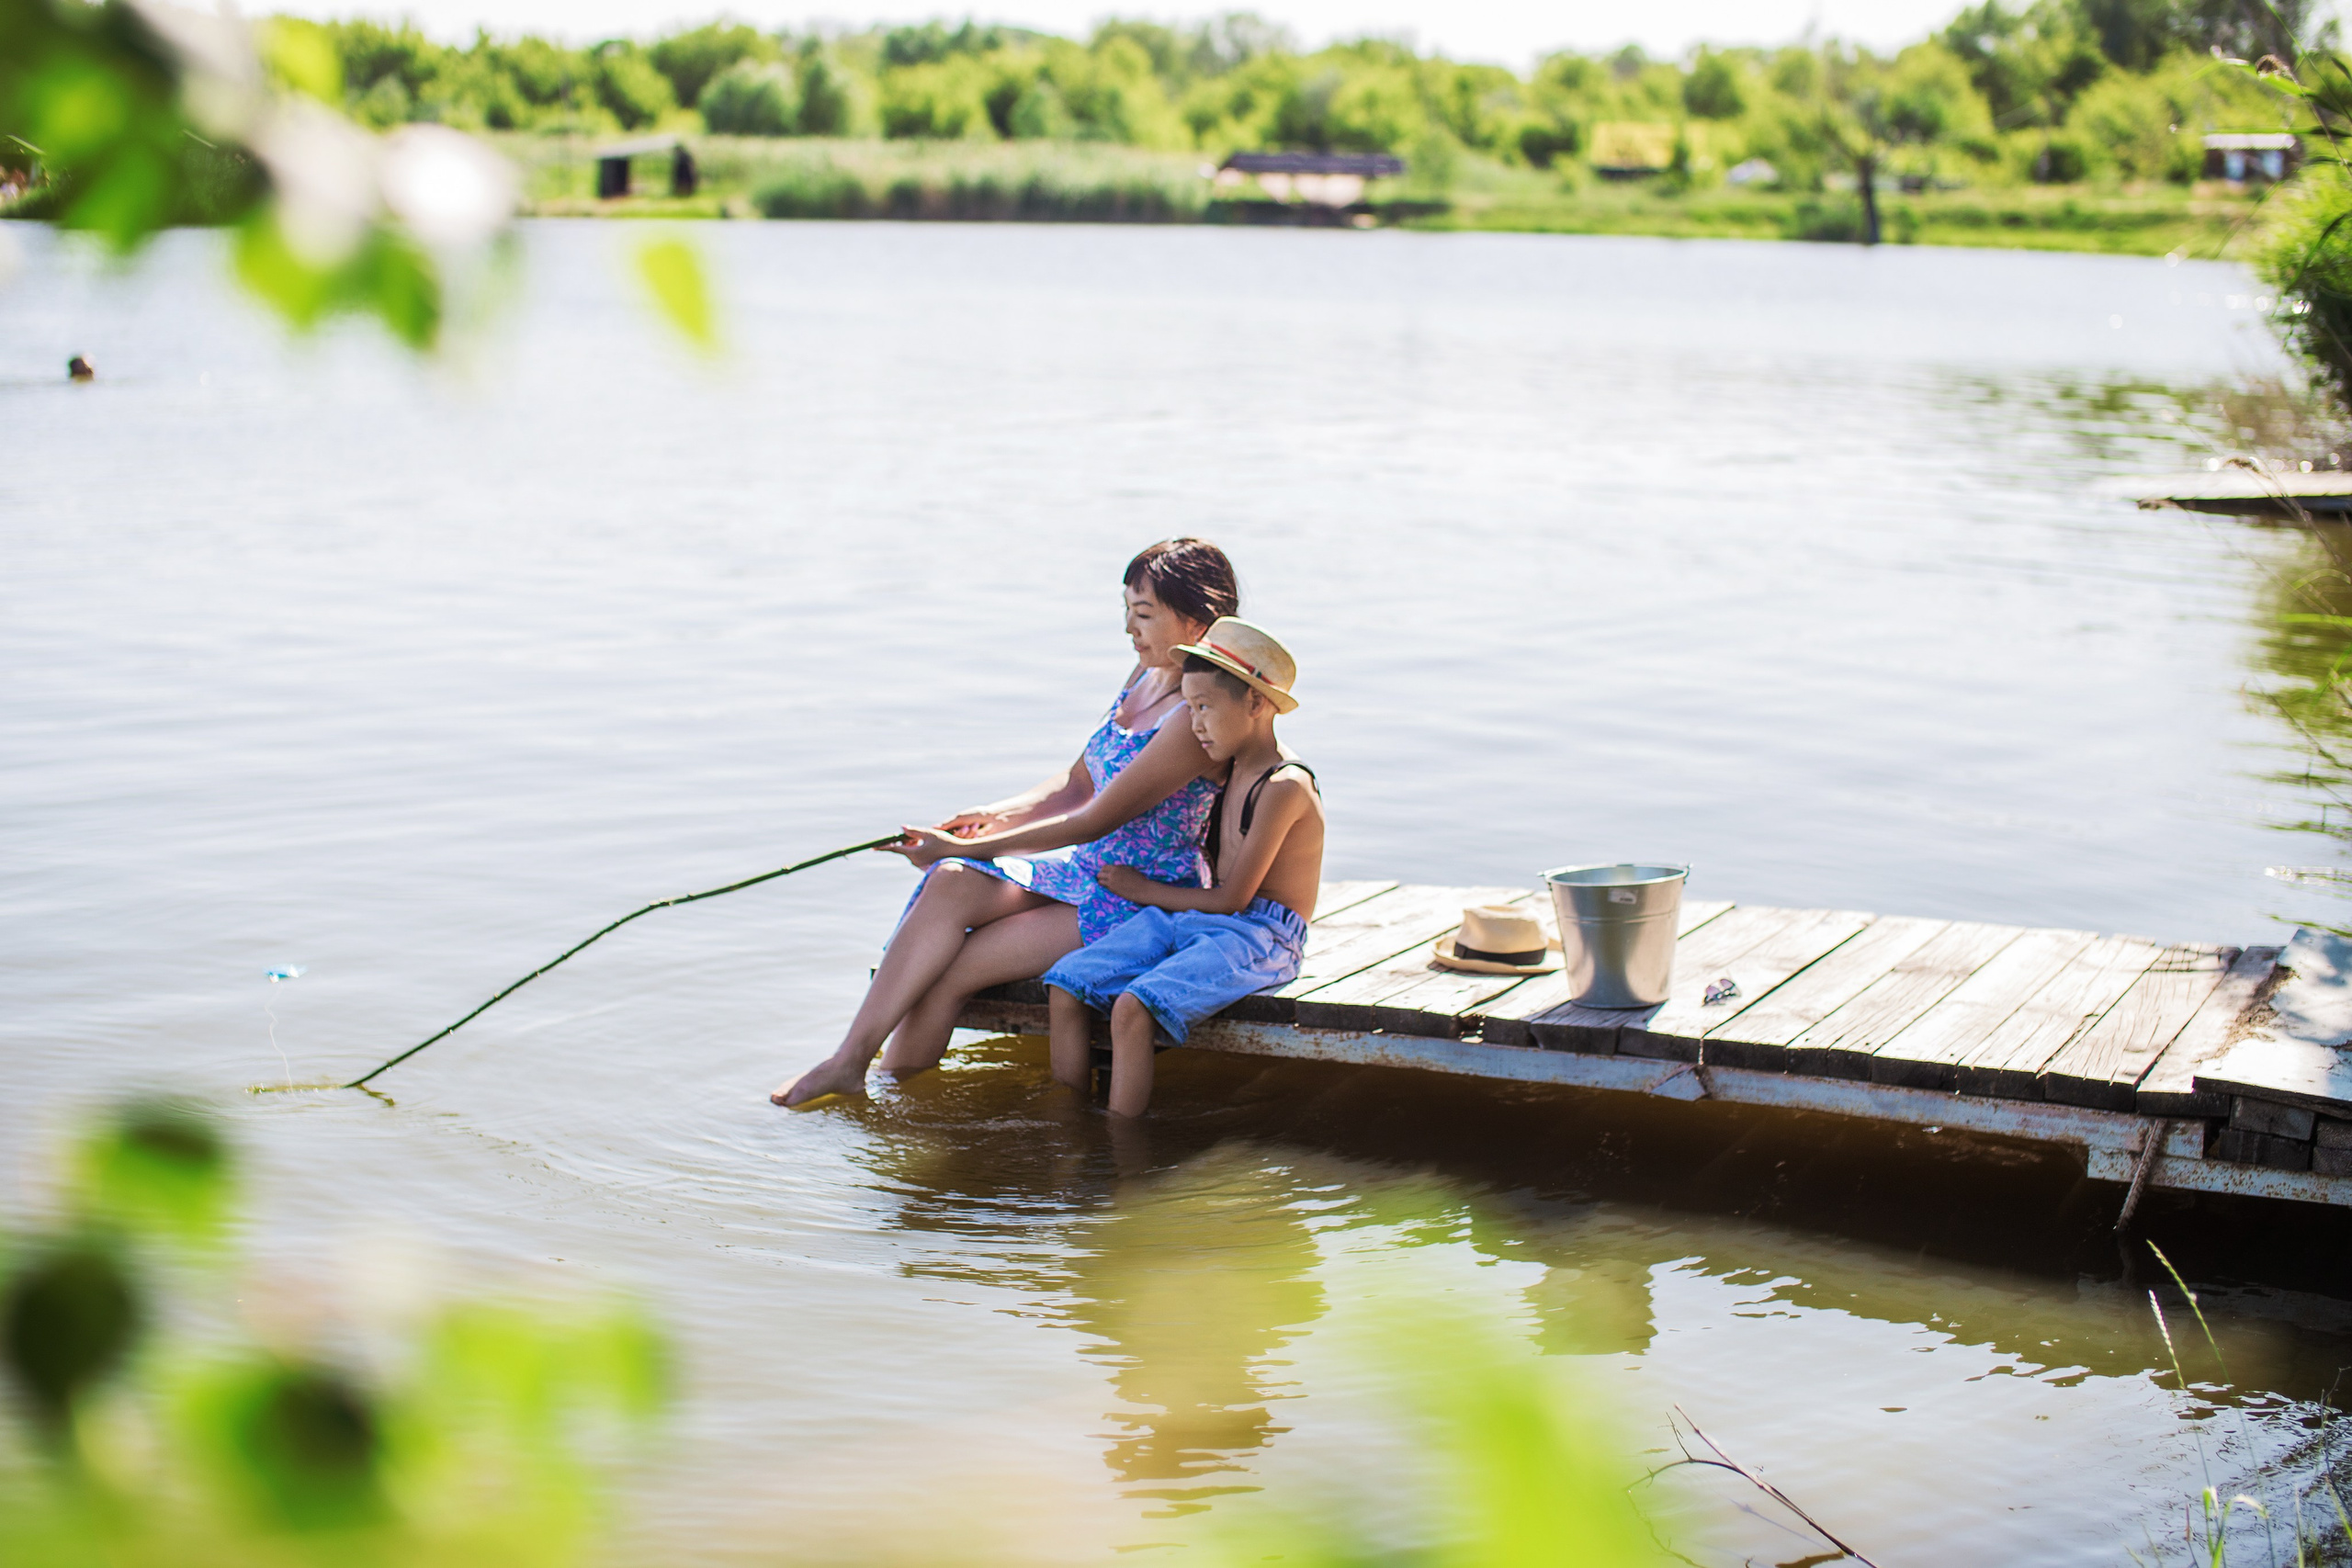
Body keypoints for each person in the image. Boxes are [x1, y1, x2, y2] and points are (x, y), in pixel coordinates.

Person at [774, 539, 1238, 1108]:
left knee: (947, 971)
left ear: (1196, 622)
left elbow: (1092, 819)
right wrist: (991, 816)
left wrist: (979, 847)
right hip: (1084, 870)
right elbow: (1076, 785)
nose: (1128, 629)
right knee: (951, 878)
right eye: (1126, 612)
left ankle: (891, 1101)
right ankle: (850, 1064)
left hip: (1136, 894)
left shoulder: (1192, 716)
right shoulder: (1142, 677)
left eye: (1143, 615)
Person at [1042, 617, 1323, 1118]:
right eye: (1189, 707)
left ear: (1256, 704)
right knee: (1066, 982)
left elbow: (1235, 899)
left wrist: (1139, 887)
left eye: (1204, 708)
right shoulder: (1230, 764)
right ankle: (1065, 1126)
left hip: (1264, 935)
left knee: (1134, 1006)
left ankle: (1119, 1150)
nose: (1193, 724)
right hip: (1207, 920)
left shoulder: (1284, 785)